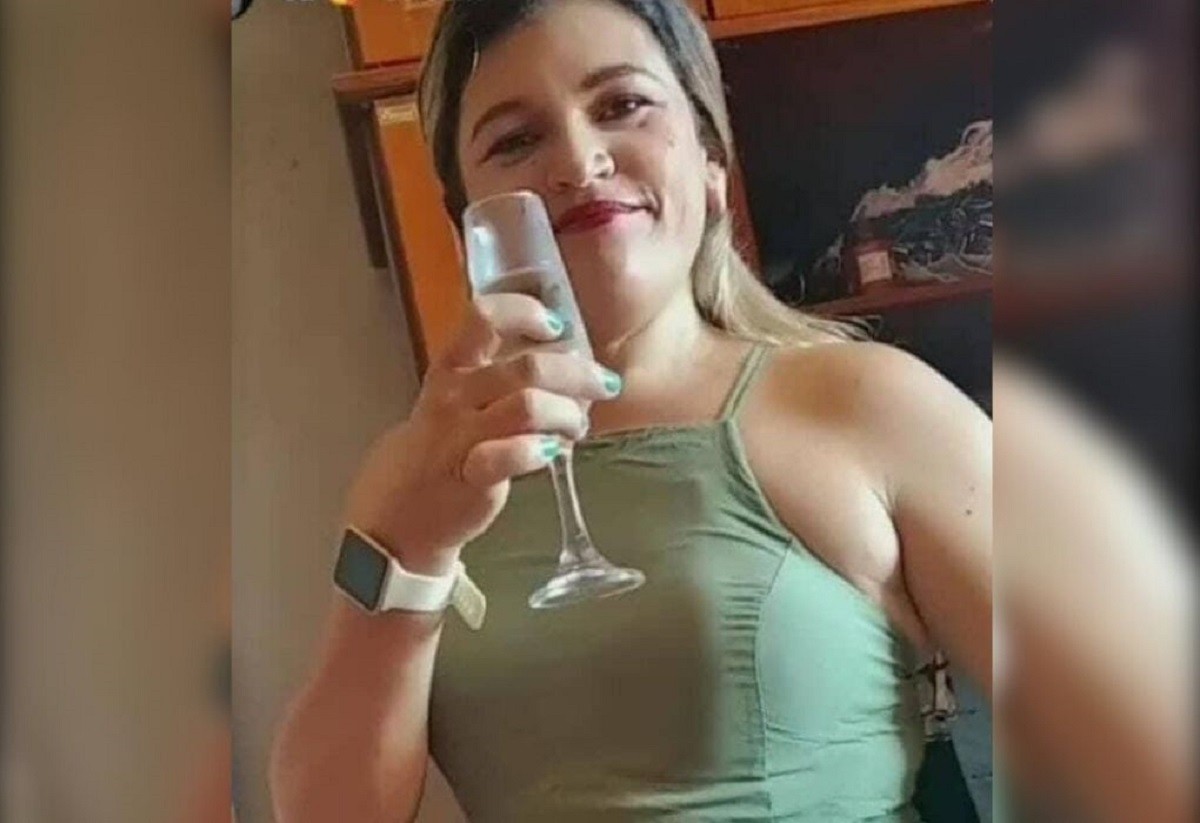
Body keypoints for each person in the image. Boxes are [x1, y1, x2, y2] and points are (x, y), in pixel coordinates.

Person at [270, 1, 992, 821]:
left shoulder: (869, 402)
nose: (577, 162)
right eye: (516, 140)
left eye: (622, 105)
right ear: (466, 225)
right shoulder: (417, 473)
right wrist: (413, 548)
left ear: (711, 161)